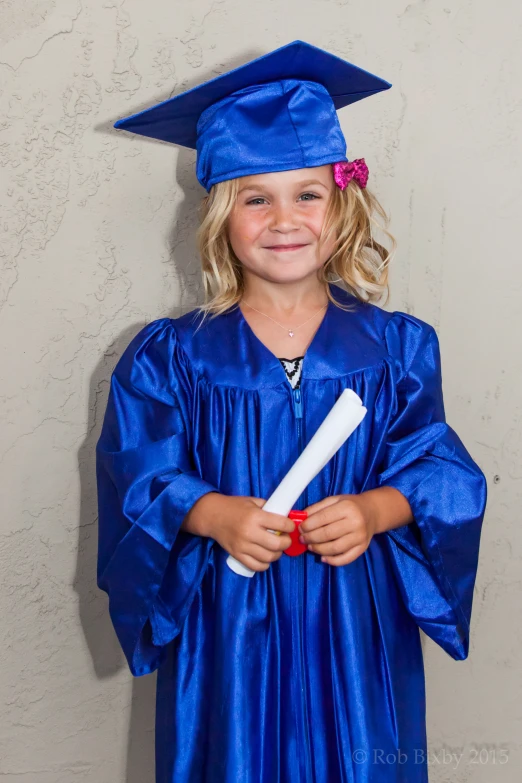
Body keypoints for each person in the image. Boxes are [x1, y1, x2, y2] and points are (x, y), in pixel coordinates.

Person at [96, 40, 487, 783]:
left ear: (342, 207)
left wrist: (376, 508)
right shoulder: (171, 358)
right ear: (220, 215)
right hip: (229, 618)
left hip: (354, 618)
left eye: (307, 193)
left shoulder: (396, 348)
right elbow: (136, 475)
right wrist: (212, 513)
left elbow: (441, 468)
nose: (284, 218)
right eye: (256, 197)